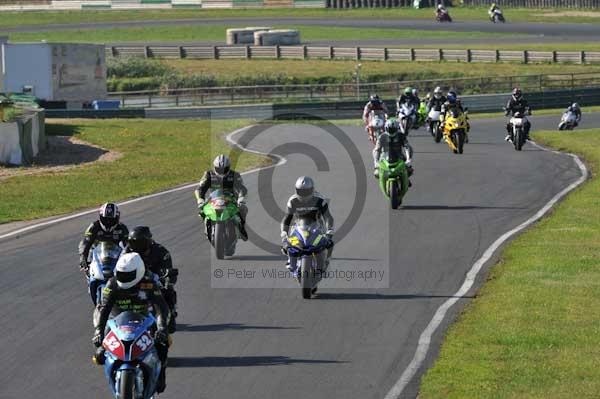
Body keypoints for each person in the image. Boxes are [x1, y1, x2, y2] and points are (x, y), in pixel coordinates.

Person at [92, 252, 171, 394]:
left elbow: (162, 308)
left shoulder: (148, 283)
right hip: (116, 322)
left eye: (128, 275)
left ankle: (161, 376)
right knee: (100, 350)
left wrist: (162, 328)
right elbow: (104, 309)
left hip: (144, 320)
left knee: (164, 343)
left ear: (139, 271)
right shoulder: (112, 284)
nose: (123, 278)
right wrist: (98, 331)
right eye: (121, 274)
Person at [126, 226, 179, 333]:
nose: (132, 245)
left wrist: (167, 278)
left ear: (145, 241)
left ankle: (171, 314)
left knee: (168, 289)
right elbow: (118, 267)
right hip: (133, 281)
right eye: (130, 242)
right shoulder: (126, 251)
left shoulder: (161, 252)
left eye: (136, 242)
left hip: (154, 281)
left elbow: (169, 269)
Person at [280, 176, 334, 276]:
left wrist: (329, 231)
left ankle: (326, 261)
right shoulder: (292, 201)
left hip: (317, 228)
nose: (303, 194)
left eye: (306, 192)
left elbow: (328, 217)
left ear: (312, 190)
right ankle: (291, 262)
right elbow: (287, 219)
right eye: (301, 191)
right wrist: (284, 234)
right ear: (296, 190)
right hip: (298, 228)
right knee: (287, 245)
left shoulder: (320, 200)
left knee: (329, 243)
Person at [195, 154, 248, 241]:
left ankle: (242, 228)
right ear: (214, 167)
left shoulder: (235, 175)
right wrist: (200, 199)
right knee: (201, 212)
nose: (222, 172)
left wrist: (241, 198)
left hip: (231, 199)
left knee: (244, 209)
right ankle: (207, 227)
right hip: (213, 199)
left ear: (229, 167)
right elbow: (200, 189)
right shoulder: (208, 174)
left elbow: (242, 188)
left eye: (224, 169)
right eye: (219, 169)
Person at [78, 203, 129, 272]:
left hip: (115, 257)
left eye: (111, 220)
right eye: (105, 219)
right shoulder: (94, 226)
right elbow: (85, 242)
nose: (108, 222)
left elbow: (128, 245)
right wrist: (83, 257)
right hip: (95, 257)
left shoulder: (122, 228)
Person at [373, 118, 414, 185]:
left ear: (397, 128)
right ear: (386, 128)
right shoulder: (382, 136)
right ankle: (382, 180)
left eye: (393, 129)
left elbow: (407, 147)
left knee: (409, 170)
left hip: (399, 155)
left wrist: (408, 159)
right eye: (389, 129)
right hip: (384, 157)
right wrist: (376, 161)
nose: (391, 131)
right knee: (376, 173)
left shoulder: (401, 135)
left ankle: (406, 179)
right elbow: (377, 149)